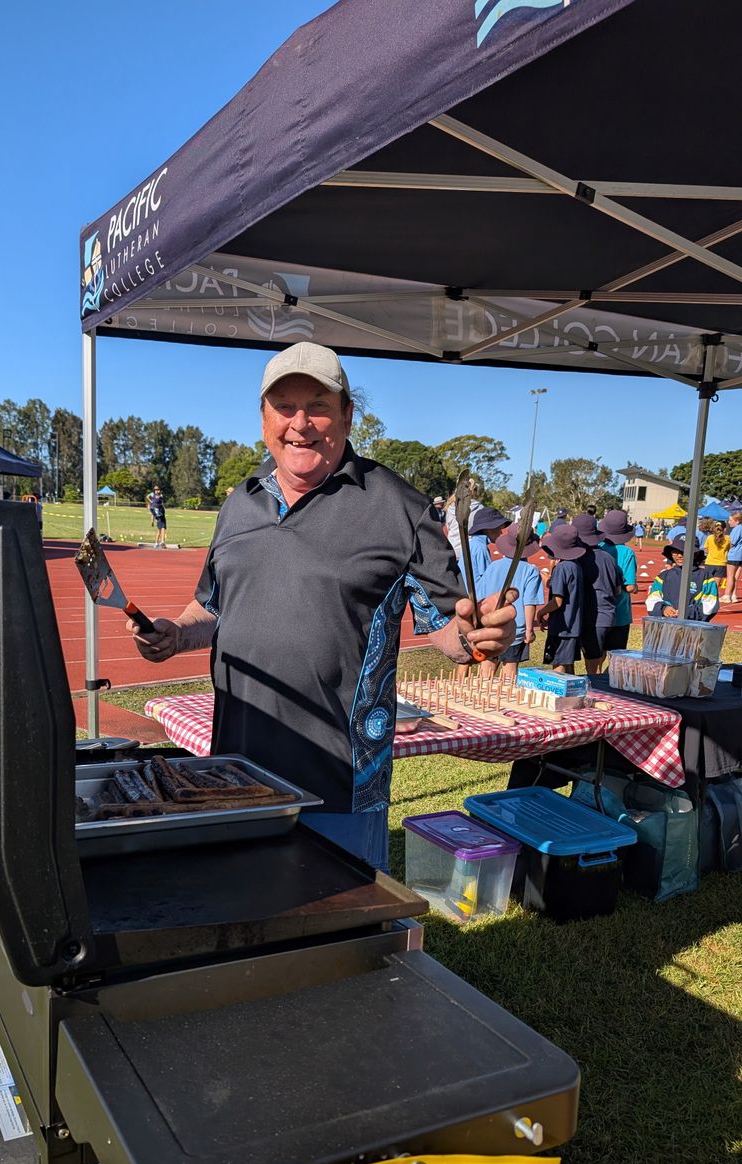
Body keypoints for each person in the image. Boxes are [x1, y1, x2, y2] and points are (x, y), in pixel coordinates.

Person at [127, 340, 517, 872]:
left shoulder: (399, 507)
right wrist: (175, 634)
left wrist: (477, 636)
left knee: (340, 920)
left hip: (339, 785)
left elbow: (449, 629)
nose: (300, 424)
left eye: (318, 407)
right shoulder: (240, 502)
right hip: (234, 773)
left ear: (348, 415)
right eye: (284, 407)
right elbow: (212, 608)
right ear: (264, 418)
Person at [474, 522, 543, 683]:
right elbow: (529, 602)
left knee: (486, 671)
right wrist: (529, 630)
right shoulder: (531, 570)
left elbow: (481, 596)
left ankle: (482, 696)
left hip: (490, 625)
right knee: (509, 675)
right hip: (515, 629)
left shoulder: (493, 566)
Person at [571, 513, 622, 674]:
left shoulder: (577, 559)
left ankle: (594, 688)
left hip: (588, 617)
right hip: (606, 615)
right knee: (596, 661)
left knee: (590, 666)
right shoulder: (608, 558)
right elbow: (618, 589)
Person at [536, 523, 585, 673]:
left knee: (558, 665)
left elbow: (557, 601)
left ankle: (561, 690)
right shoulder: (575, 565)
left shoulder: (562, 568)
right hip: (572, 626)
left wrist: (541, 612)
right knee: (568, 664)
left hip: (561, 628)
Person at [646, 539, 719, 620]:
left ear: (695, 554)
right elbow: (652, 600)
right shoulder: (663, 576)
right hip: (667, 623)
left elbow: (711, 604)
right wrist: (664, 609)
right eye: (675, 552)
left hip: (693, 624)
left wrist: (687, 612)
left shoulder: (705, 577)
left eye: (683, 552)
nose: (679, 556)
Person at [597, 510, 638, 653]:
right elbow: (630, 587)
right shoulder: (627, 552)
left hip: (598, 609)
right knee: (616, 655)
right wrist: (636, 588)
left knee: (597, 654)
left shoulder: (598, 548)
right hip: (620, 612)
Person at [462, 506, 507, 583]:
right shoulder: (481, 548)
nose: (501, 533)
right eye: (499, 529)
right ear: (490, 530)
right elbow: (488, 579)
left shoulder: (473, 543)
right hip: (476, 589)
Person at [704, 520, 730, 596]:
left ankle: (706, 596)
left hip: (709, 562)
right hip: (721, 563)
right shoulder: (727, 538)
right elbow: (729, 549)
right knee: (716, 584)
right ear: (724, 529)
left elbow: (706, 549)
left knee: (707, 582)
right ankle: (713, 597)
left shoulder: (709, 537)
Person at [726, 511, 742, 603]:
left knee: (730, 576)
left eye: (731, 520)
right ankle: (733, 595)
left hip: (734, 555)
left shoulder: (737, 529)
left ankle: (727, 595)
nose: (729, 522)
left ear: (737, 521)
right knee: (735, 576)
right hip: (740, 555)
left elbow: (732, 542)